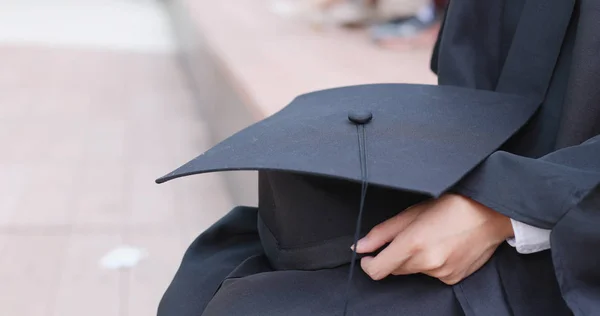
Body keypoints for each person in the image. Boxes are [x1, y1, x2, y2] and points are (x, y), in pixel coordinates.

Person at [155, 0, 600, 315]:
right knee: (214, 265)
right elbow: (469, 74)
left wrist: (503, 212)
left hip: (568, 241)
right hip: (473, 179)